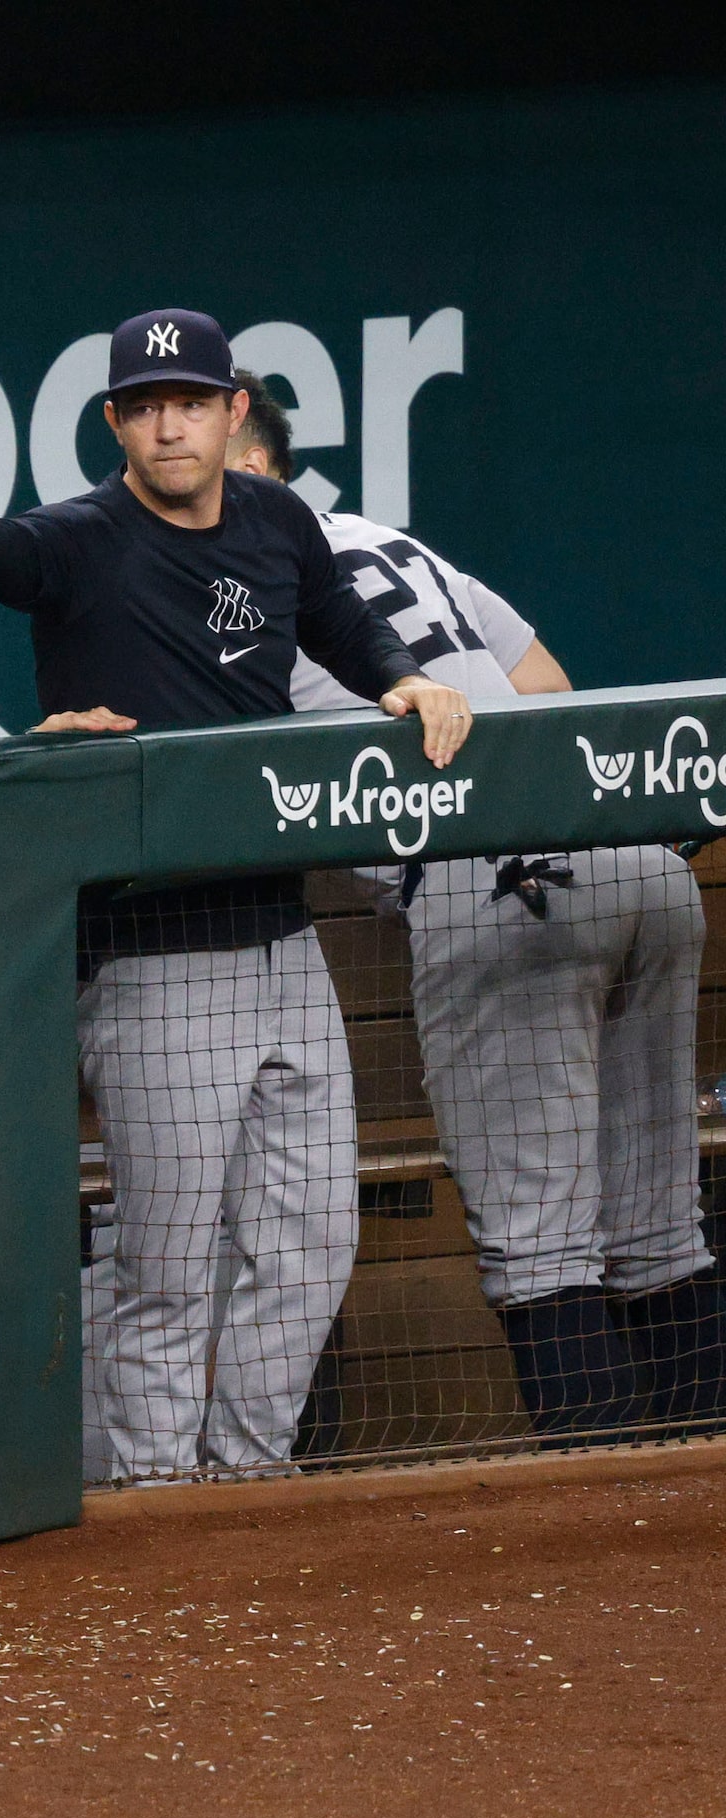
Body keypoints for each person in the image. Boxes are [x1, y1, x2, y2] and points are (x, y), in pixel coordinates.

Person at [0, 305, 473, 1482]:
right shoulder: (79, 540)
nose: (168, 425)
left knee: (312, 1242)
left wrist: (402, 679)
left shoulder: (273, 517)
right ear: (115, 422)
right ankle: (159, 1510)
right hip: (152, 957)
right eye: (144, 407)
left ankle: (247, 1480)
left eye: (190, 403)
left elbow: (335, 618)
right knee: (165, 1268)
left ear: (228, 412)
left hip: (282, 935)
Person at [232, 374, 726, 1435]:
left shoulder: (239, 581)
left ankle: (595, 1535)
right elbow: (543, 686)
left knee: (542, 1248)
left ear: (251, 464)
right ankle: (690, 1524)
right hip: (632, 857)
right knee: (659, 1234)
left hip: (498, 886)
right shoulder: (386, 540)